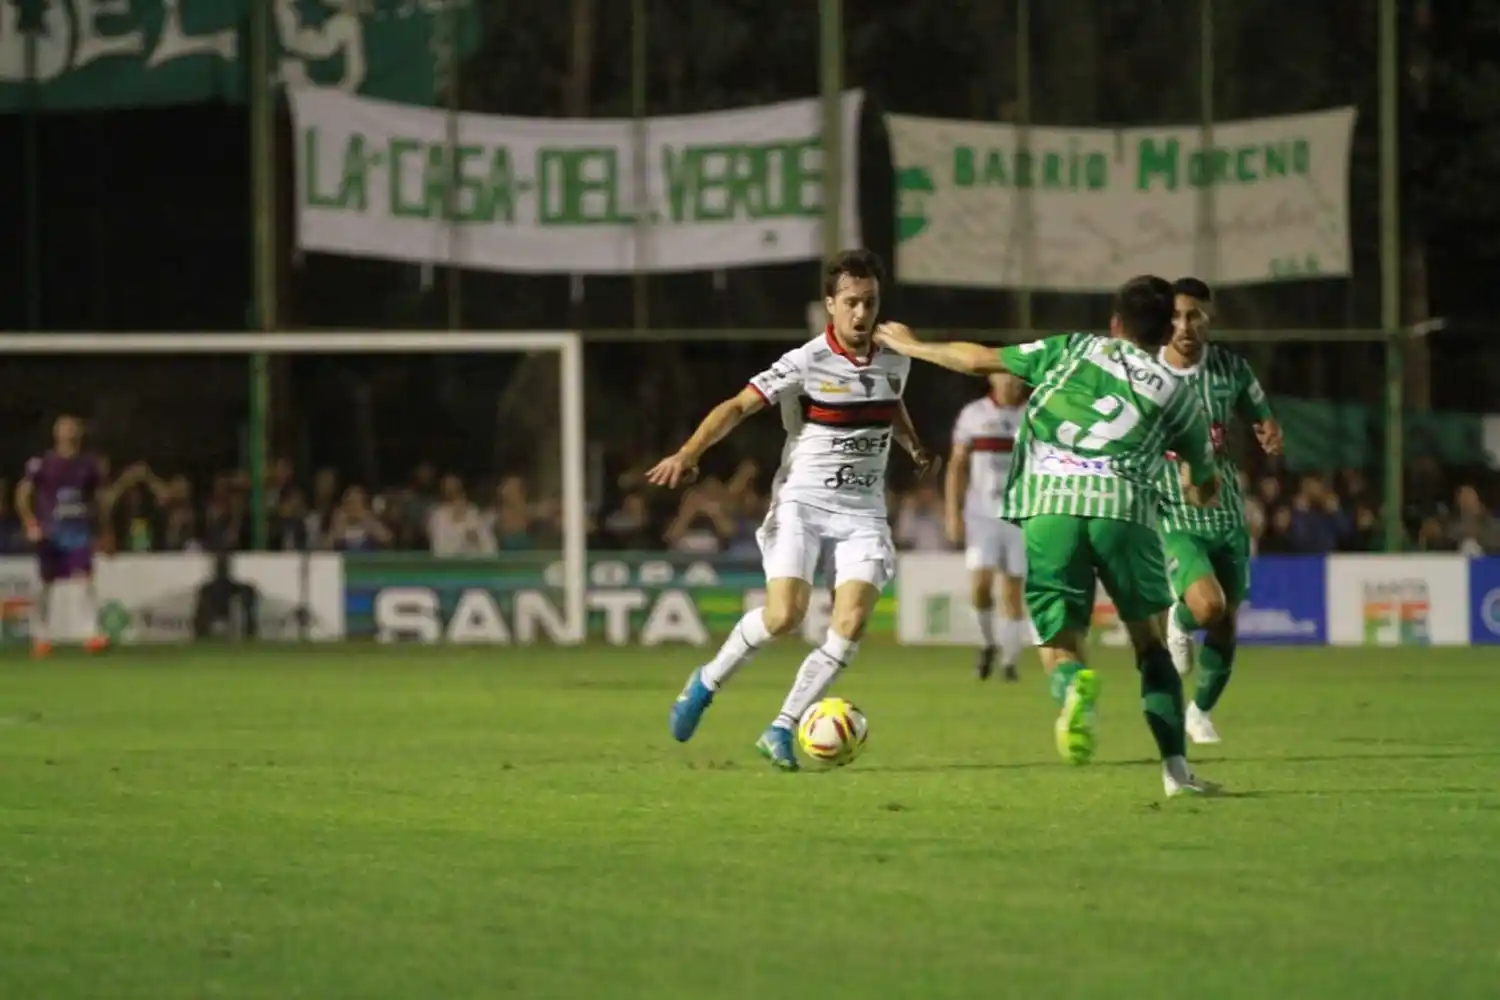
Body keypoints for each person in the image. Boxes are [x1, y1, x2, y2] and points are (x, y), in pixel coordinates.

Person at [872, 275, 1222, 797]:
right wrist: (1197, 491)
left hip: (1050, 507)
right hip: (1122, 511)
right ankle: (1176, 772)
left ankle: (1070, 685)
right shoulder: (1178, 392)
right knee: (1150, 643)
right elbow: (1203, 485)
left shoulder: (1072, 348)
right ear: (1165, 330)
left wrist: (908, 344)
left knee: (1058, 643)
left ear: (1114, 323)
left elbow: (976, 360)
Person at [649, 249, 938, 771]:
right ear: (830, 305)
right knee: (785, 615)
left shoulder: (898, 353)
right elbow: (738, 405)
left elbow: (889, 401)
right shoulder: (806, 362)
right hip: (802, 501)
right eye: (850, 302)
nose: (861, 313)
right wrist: (689, 453)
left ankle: (782, 727)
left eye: (869, 302)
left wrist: (912, 445)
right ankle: (706, 682)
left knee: (849, 623)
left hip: (864, 511)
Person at [1157, 278, 1283, 745]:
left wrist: (1269, 432)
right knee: (1207, 606)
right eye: (1175, 316)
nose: (1184, 326)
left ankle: (1200, 712)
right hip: (1173, 515)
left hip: (1227, 514)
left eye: (1194, 316)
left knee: (1227, 621)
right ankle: (1180, 618)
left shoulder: (1231, 369)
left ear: (1209, 319)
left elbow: (1261, 417)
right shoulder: (1146, 374)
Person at [946, 372, 1029, 680]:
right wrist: (952, 512)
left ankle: (1009, 661)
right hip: (981, 514)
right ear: (992, 378)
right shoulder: (973, 414)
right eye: (1003, 375)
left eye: (1015, 377)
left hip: (1020, 514)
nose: (1009, 382)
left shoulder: (1033, 415)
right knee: (980, 587)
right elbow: (956, 465)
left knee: (1012, 592)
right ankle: (986, 643)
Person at [14, 416, 112, 655]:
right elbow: (22, 492)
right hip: (51, 531)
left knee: (84, 577)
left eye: (71, 428)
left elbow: (100, 499)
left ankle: (93, 633)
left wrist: (106, 529)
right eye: (63, 427)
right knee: (47, 582)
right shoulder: (42, 463)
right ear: (56, 433)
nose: (67, 432)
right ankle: (42, 636)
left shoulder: (88, 464)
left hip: (78, 529)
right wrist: (30, 522)